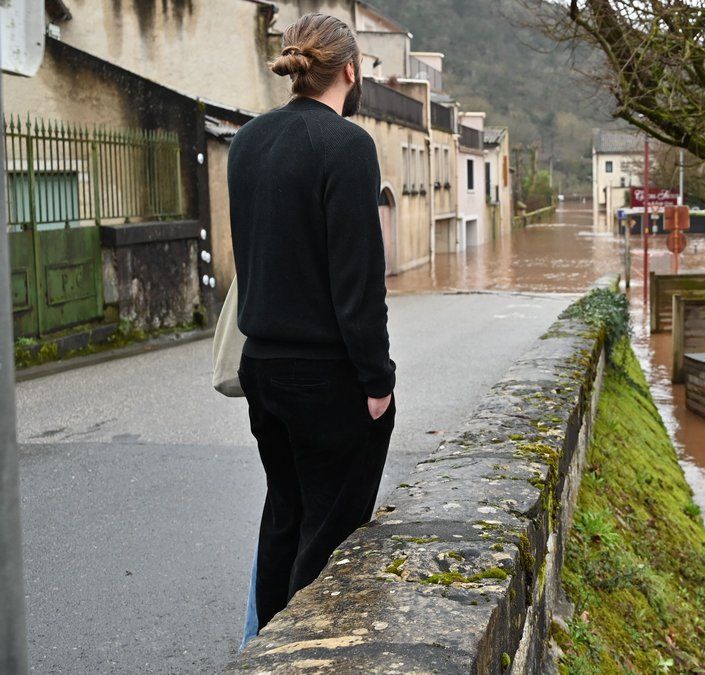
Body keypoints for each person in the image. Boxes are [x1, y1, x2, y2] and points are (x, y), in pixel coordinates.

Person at [226, 13, 395, 647]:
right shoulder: (347, 146)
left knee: (285, 512)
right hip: (326, 378)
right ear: (350, 69)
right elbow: (358, 281)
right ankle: (302, 651)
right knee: (329, 537)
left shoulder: (248, 140)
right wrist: (377, 380)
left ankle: (262, 647)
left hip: (262, 368)